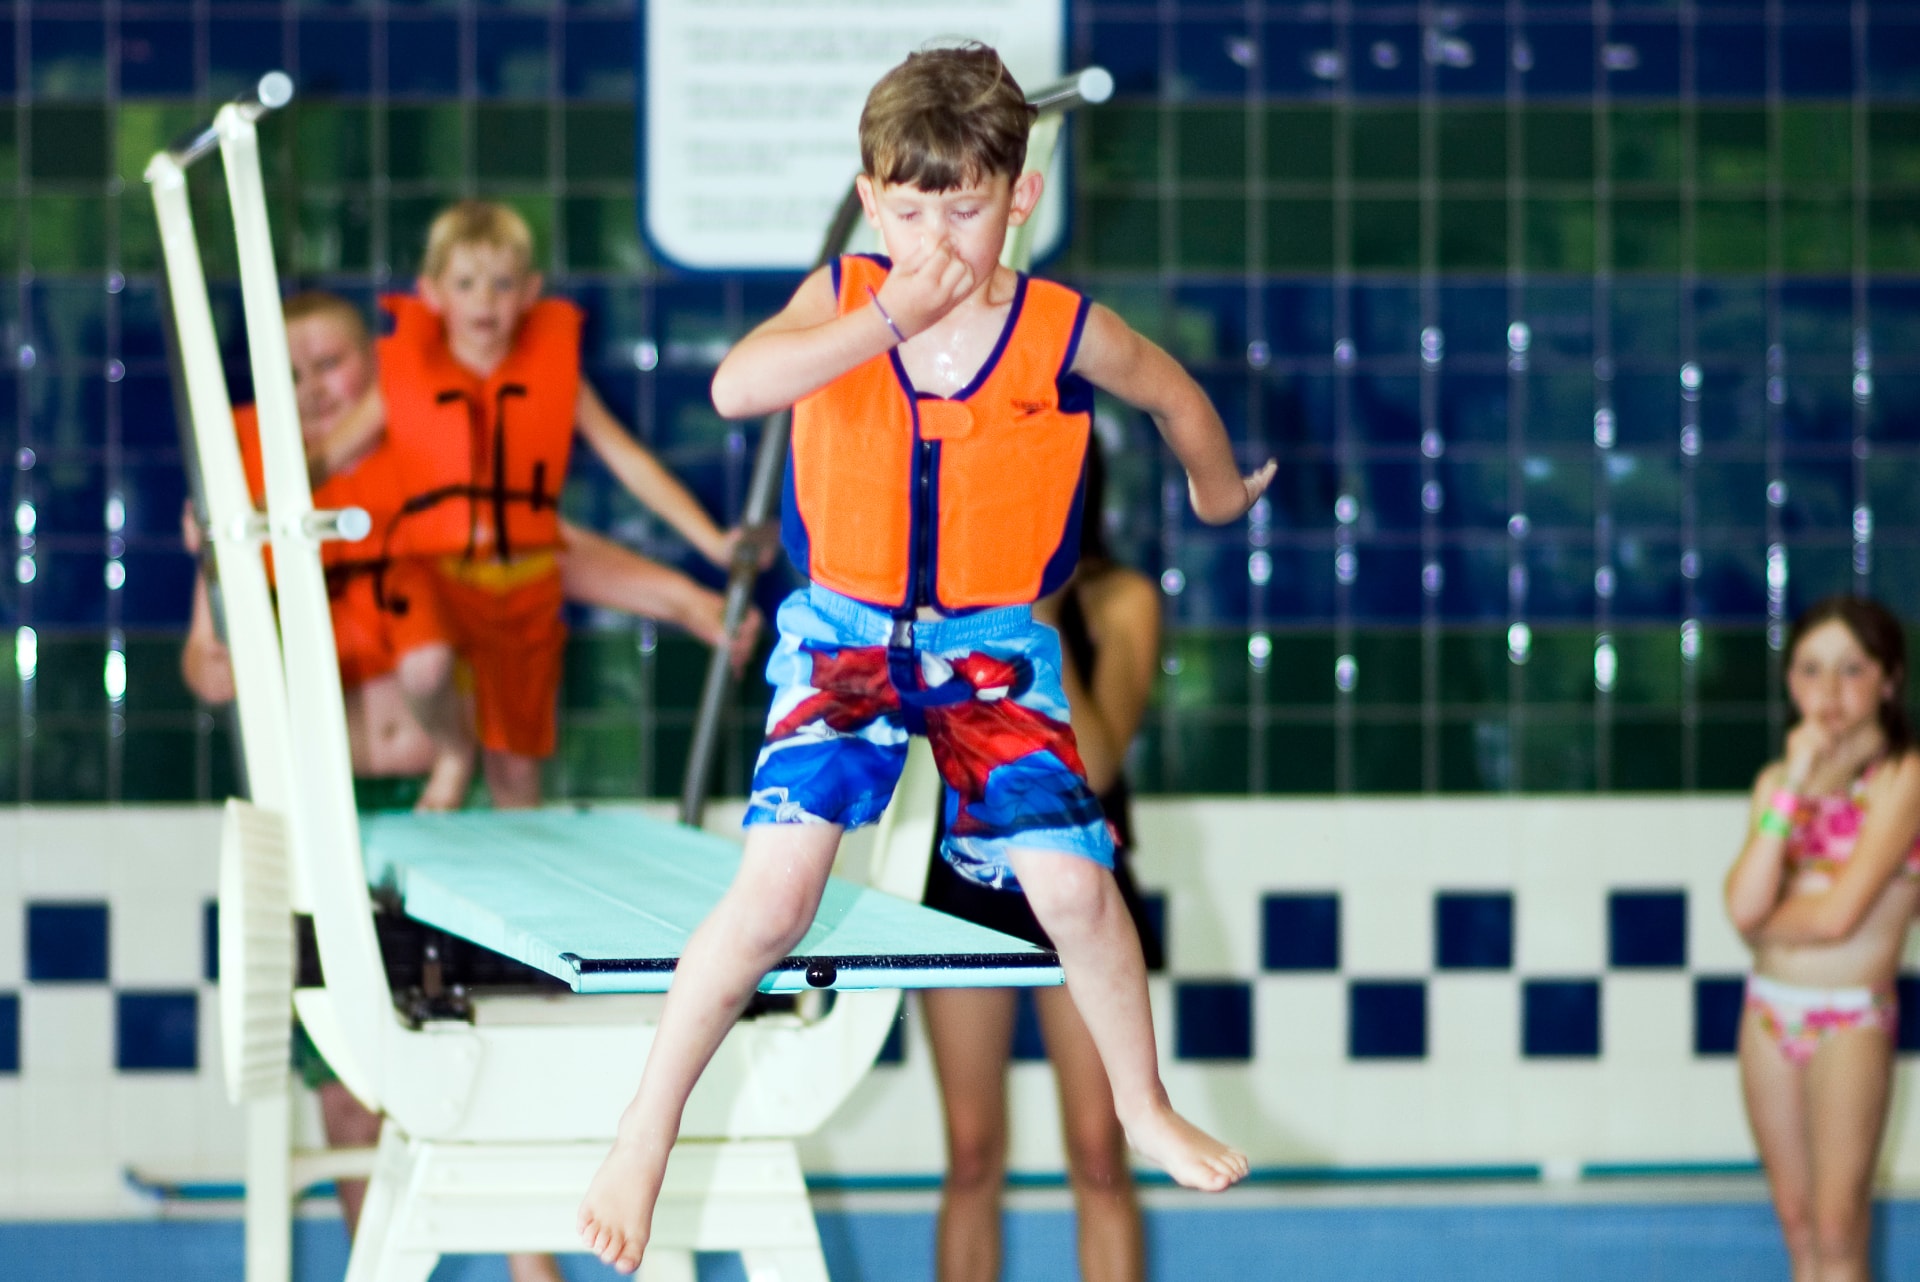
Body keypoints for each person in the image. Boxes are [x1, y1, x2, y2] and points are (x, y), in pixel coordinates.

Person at [577, 44, 1271, 1274]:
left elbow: (1173, 394)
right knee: (773, 896)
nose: (936, 237)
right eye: (907, 209)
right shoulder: (846, 293)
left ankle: (1144, 1100)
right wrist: (884, 312)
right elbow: (739, 388)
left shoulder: (1062, 328)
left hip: (992, 652)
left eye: (963, 208)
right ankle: (645, 1128)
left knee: (1075, 889)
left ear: (1020, 201)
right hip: (844, 644)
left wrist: (1217, 492)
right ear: (869, 198)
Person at [181, 292, 758, 793]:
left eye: (329, 364)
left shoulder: (420, 436)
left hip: (456, 781)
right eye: (288, 376)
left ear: (375, 362)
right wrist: (209, 658)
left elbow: (540, 548)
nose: (310, 390)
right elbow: (208, 632)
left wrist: (686, 603)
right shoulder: (242, 459)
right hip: (319, 790)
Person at [315, 201, 748, 809]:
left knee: (517, 776)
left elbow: (631, 463)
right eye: (466, 284)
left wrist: (711, 541)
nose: (484, 301)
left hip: (522, 585)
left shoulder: (557, 377)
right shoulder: (401, 379)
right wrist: (237, 505)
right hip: (433, 577)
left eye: (501, 284)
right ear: (433, 294)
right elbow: (324, 460)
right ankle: (453, 751)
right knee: (426, 666)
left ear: (530, 293)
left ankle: (515, 868)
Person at [921, 442, 1163, 1282]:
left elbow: (1092, 767)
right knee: (973, 1152)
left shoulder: (1120, 601)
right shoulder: (954, 605)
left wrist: (1044, 618)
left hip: (1086, 886)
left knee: (1100, 1150)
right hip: (967, 882)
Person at [1724, 595, 1920, 1282]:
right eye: (1810, 670)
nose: (1828, 692)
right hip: (1767, 1015)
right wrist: (1796, 785)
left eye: (1851, 669)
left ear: (1889, 680)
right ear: (1789, 682)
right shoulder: (1778, 782)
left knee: (1839, 1233)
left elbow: (1837, 916)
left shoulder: (1904, 778)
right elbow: (1745, 900)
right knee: (1798, 1226)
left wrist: (1761, 923)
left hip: (1850, 1019)